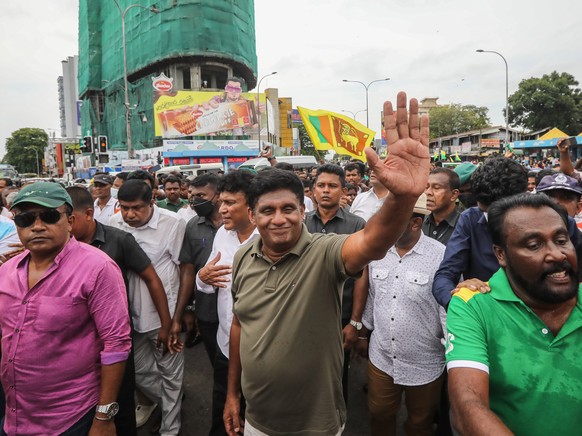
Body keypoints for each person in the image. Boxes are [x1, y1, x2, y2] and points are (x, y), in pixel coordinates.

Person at [224, 92, 431, 436]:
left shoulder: (324, 253)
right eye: (267, 211)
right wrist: (232, 395)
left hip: (317, 425)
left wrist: (404, 197)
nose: (279, 219)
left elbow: (372, 242)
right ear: (252, 215)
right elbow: (238, 326)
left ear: (300, 210)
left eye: (288, 209)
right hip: (256, 420)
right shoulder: (242, 257)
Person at [0, 182, 131, 434]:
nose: (37, 226)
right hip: (15, 414)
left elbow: (116, 344)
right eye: (26, 219)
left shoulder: (98, 268)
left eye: (49, 216)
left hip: (72, 418)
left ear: (70, 221)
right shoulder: (6, 271)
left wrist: (103, 418)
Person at [446, 193, 582, 434]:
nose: (557, 254)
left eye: (561, 240)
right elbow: (467, 406)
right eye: (534, 245)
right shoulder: (473, 305)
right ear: (501, 254)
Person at [67, 186, 173, 436]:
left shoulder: (119, 240)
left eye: (71, 219)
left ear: (89, 214)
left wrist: (166, 324)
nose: (67, 227)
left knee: (121, 401)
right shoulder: (61, 245)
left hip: (115, 338)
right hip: (78, 340)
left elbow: (152, 278)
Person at [360, 193, 447, 436]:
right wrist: (361, 333)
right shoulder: (377, 251)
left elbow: (447, 308)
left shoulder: (440, 256)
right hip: (382, 359)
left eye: (392, 220)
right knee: (379, 415)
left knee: (420, 422)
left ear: (415, 223)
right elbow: (373, 296)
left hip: (425, 362)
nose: (384, 225)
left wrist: (453, 350)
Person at [109, 180, 186, 436]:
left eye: (136, 208)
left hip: (163, 314)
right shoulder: (114, 223)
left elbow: (183, 268)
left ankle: (170, 429)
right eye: (124, 208)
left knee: (171, 374)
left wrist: (177, 318)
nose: (129, 215)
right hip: (128, 315)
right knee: (138, 370)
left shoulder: (172, 223)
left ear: (152, 202)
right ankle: (169, 404)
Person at [196, 170, 259, 436]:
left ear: (251, 206)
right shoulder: (223, 233)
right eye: (221, 202)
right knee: (224, 418)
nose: (222, 209)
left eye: (230, 203)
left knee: (257, 419)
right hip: (226, 346)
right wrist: (202, 277)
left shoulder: (272, 237)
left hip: (262, 351)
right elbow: (208, 281)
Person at [304, 163, 367, 403]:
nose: (326, 190)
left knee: (336, 378)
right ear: (313, 190)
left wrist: (355, 322)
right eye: (321, 185)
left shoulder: (356, 226)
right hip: (304, 312)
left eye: (333, 186)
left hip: (340, 315)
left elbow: (362, 278)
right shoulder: (300, 224)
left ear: (343, 190)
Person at [432, 157, 529, 308]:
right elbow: (445, 276)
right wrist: (459, 301)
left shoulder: (552, 219)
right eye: (486, 213)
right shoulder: (470, 219)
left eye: (501, 215)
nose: (493, 220)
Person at [174, 173, 223, 364]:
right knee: (217, 363)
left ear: (218, 195)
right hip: (207, 310)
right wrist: (185, 309)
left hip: (238, 308)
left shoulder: (237, 223)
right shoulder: (192, 226)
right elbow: (188, 271)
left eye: (201, 196)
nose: (195, 201)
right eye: (192, 195)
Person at [422, 167, 461, 245]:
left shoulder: (465, 225)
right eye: (426, 187)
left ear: (454, 194)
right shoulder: (419, 221)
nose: (428, 192)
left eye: (436, 188)